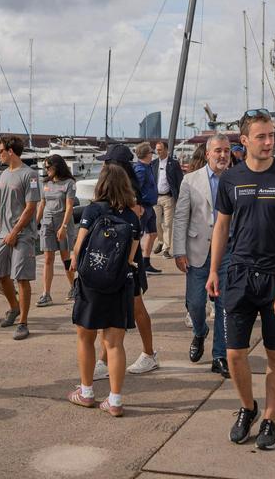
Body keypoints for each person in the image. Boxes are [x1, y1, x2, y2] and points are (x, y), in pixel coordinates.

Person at [207, 112, 275, 449]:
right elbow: (221, 227)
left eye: (272, 136)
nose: (269, 142)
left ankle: (269, 419)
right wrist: (213, 270)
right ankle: (248, 408)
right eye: (261, 136)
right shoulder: (231, 178)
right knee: (234, 353)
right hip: (238, 275)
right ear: (244, 140)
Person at [68, 163, 143, 417]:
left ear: (101, 184)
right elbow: (131, 258)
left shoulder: (93, 210)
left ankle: (86, 392)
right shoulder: (133, 218)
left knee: (85, 338)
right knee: (114, 344)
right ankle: (115, 400)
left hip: (91, 286)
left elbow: (78, 249)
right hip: (120, 284)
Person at [93, 144, 159, 377]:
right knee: (121, 307)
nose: (101, 166)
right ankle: (105, 358)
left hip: (125, 257)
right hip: (121, 257)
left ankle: (147, 354)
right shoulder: (123, 190)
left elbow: (133, 226)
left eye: (105, 162)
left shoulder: (127, 193)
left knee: (134, 305)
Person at [172, 134, 232, 378]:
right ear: (207, 154)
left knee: (224, 305)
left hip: (228, 251)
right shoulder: (190, 181)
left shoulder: (236, 179)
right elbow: (180, 217)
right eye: (218, 151)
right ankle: (199, 331)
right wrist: (179, 250)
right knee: (196, 304)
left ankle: (219, 356)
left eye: (226, 151)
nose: (223, 155)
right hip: (198, 250)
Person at [0, 136, 40, 340]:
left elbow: (31, 208)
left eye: (1, 150)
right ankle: (14, 308)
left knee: (21, 277)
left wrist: (15, 232)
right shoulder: (3, 175)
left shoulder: (30, 175)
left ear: (11, 151)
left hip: (22, 235)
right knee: (2, 275)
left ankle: (23, 323)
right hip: (3, 234)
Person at [36, 154, 77, 307]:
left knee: (66, 257)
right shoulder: (45, 183)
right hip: (47, 223)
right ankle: (46, 293)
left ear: (57, 166)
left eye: (48, 167)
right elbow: (42, 204)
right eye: (45, 167)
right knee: (48, 258)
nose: (46, 170)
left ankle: (74, 286)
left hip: (62, 222)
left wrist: (64, 227)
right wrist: (35, 223)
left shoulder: (69, 183)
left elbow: (69, 207)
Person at [132, 142, 162, 273]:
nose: (152, 154)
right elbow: (135, 189)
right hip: (143, 207)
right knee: (138, 235)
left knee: (153, 233)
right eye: (151, 152)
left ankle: (146, 262)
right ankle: (134, 262)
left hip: (150, 206)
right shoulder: (140, 169)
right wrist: (138, 206)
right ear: (146, 154)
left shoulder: (148, 167)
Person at [151, 141, 183, 258]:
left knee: (168, 224)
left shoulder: (173, 164)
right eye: (156, 149)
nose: (157, 152)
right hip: (155, 198)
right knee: (157, 222)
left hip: (168, 197)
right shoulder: (153, 164)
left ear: (166, 150)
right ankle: (160, 241)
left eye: (160, 149)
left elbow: (180, 181)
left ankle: (166, 249)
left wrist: (180, 198)